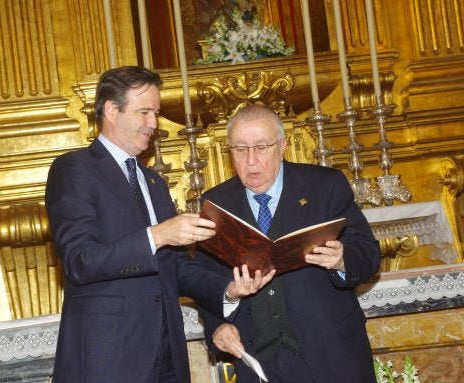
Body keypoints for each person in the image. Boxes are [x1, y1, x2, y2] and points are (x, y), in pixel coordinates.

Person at [45, 66, 275, 383]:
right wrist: (158, 235)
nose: (154, 124)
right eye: (144, 112)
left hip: (167, 356)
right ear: (111, 110)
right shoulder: (74, 169)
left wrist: (228, 290)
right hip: (109, 359)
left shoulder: (153, 182)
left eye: (155, 112)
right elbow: (79, 260)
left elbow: (176, 267)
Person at [195, 104, 381, 382]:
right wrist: (218, 326)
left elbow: (368, 254)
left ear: (282, 146)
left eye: (261, 147)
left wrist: (342, 259)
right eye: (240, 149)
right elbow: (204, 280)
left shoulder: (325, 186)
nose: (250, 160)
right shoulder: (217, 203)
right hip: (256, 361)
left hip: (330, 353)